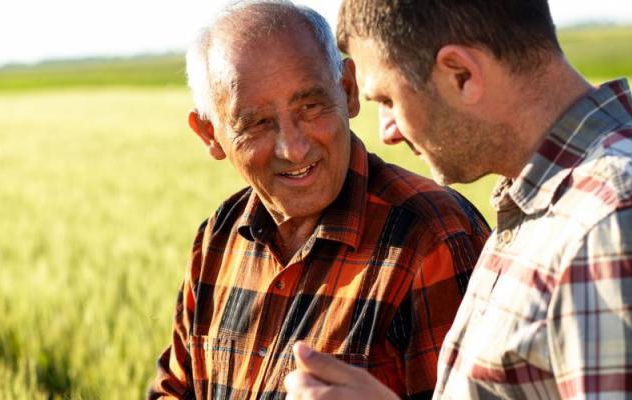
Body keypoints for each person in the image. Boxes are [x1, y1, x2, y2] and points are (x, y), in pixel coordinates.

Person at [284, 1, 632, 399]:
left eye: (387, 100)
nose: (385, 132)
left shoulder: (623, 225)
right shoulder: (551, 205)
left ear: (461, 75)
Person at [147, 1, 491, 398]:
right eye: (257, 123)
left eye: (310, 107)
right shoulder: (218, 238)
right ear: (209, 134)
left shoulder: (434, 237)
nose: (293, 148)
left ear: (348, 90)